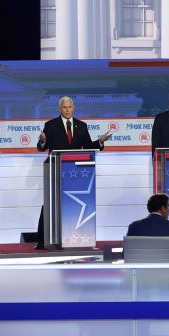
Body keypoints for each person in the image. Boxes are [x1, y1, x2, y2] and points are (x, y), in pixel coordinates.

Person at [35, 96, 112, 248]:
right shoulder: (50, 125)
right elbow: (42, 147)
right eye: (64, 107)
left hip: (76, 171)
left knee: (75, 203)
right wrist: (43, 141)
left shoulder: (82, 126)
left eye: (70, 107)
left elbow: (88, 146)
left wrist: (101, 141)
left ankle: (75, 235)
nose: (67, 110)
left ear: (73, 107)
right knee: (50, 204)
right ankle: (42, 241)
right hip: (56, 170)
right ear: (60, 109)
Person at [126, 193, 169, 262]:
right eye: (168, 206)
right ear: (163, 208)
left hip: (141, 272)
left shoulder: (133, 226)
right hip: (166, 272)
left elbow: (125, 255)